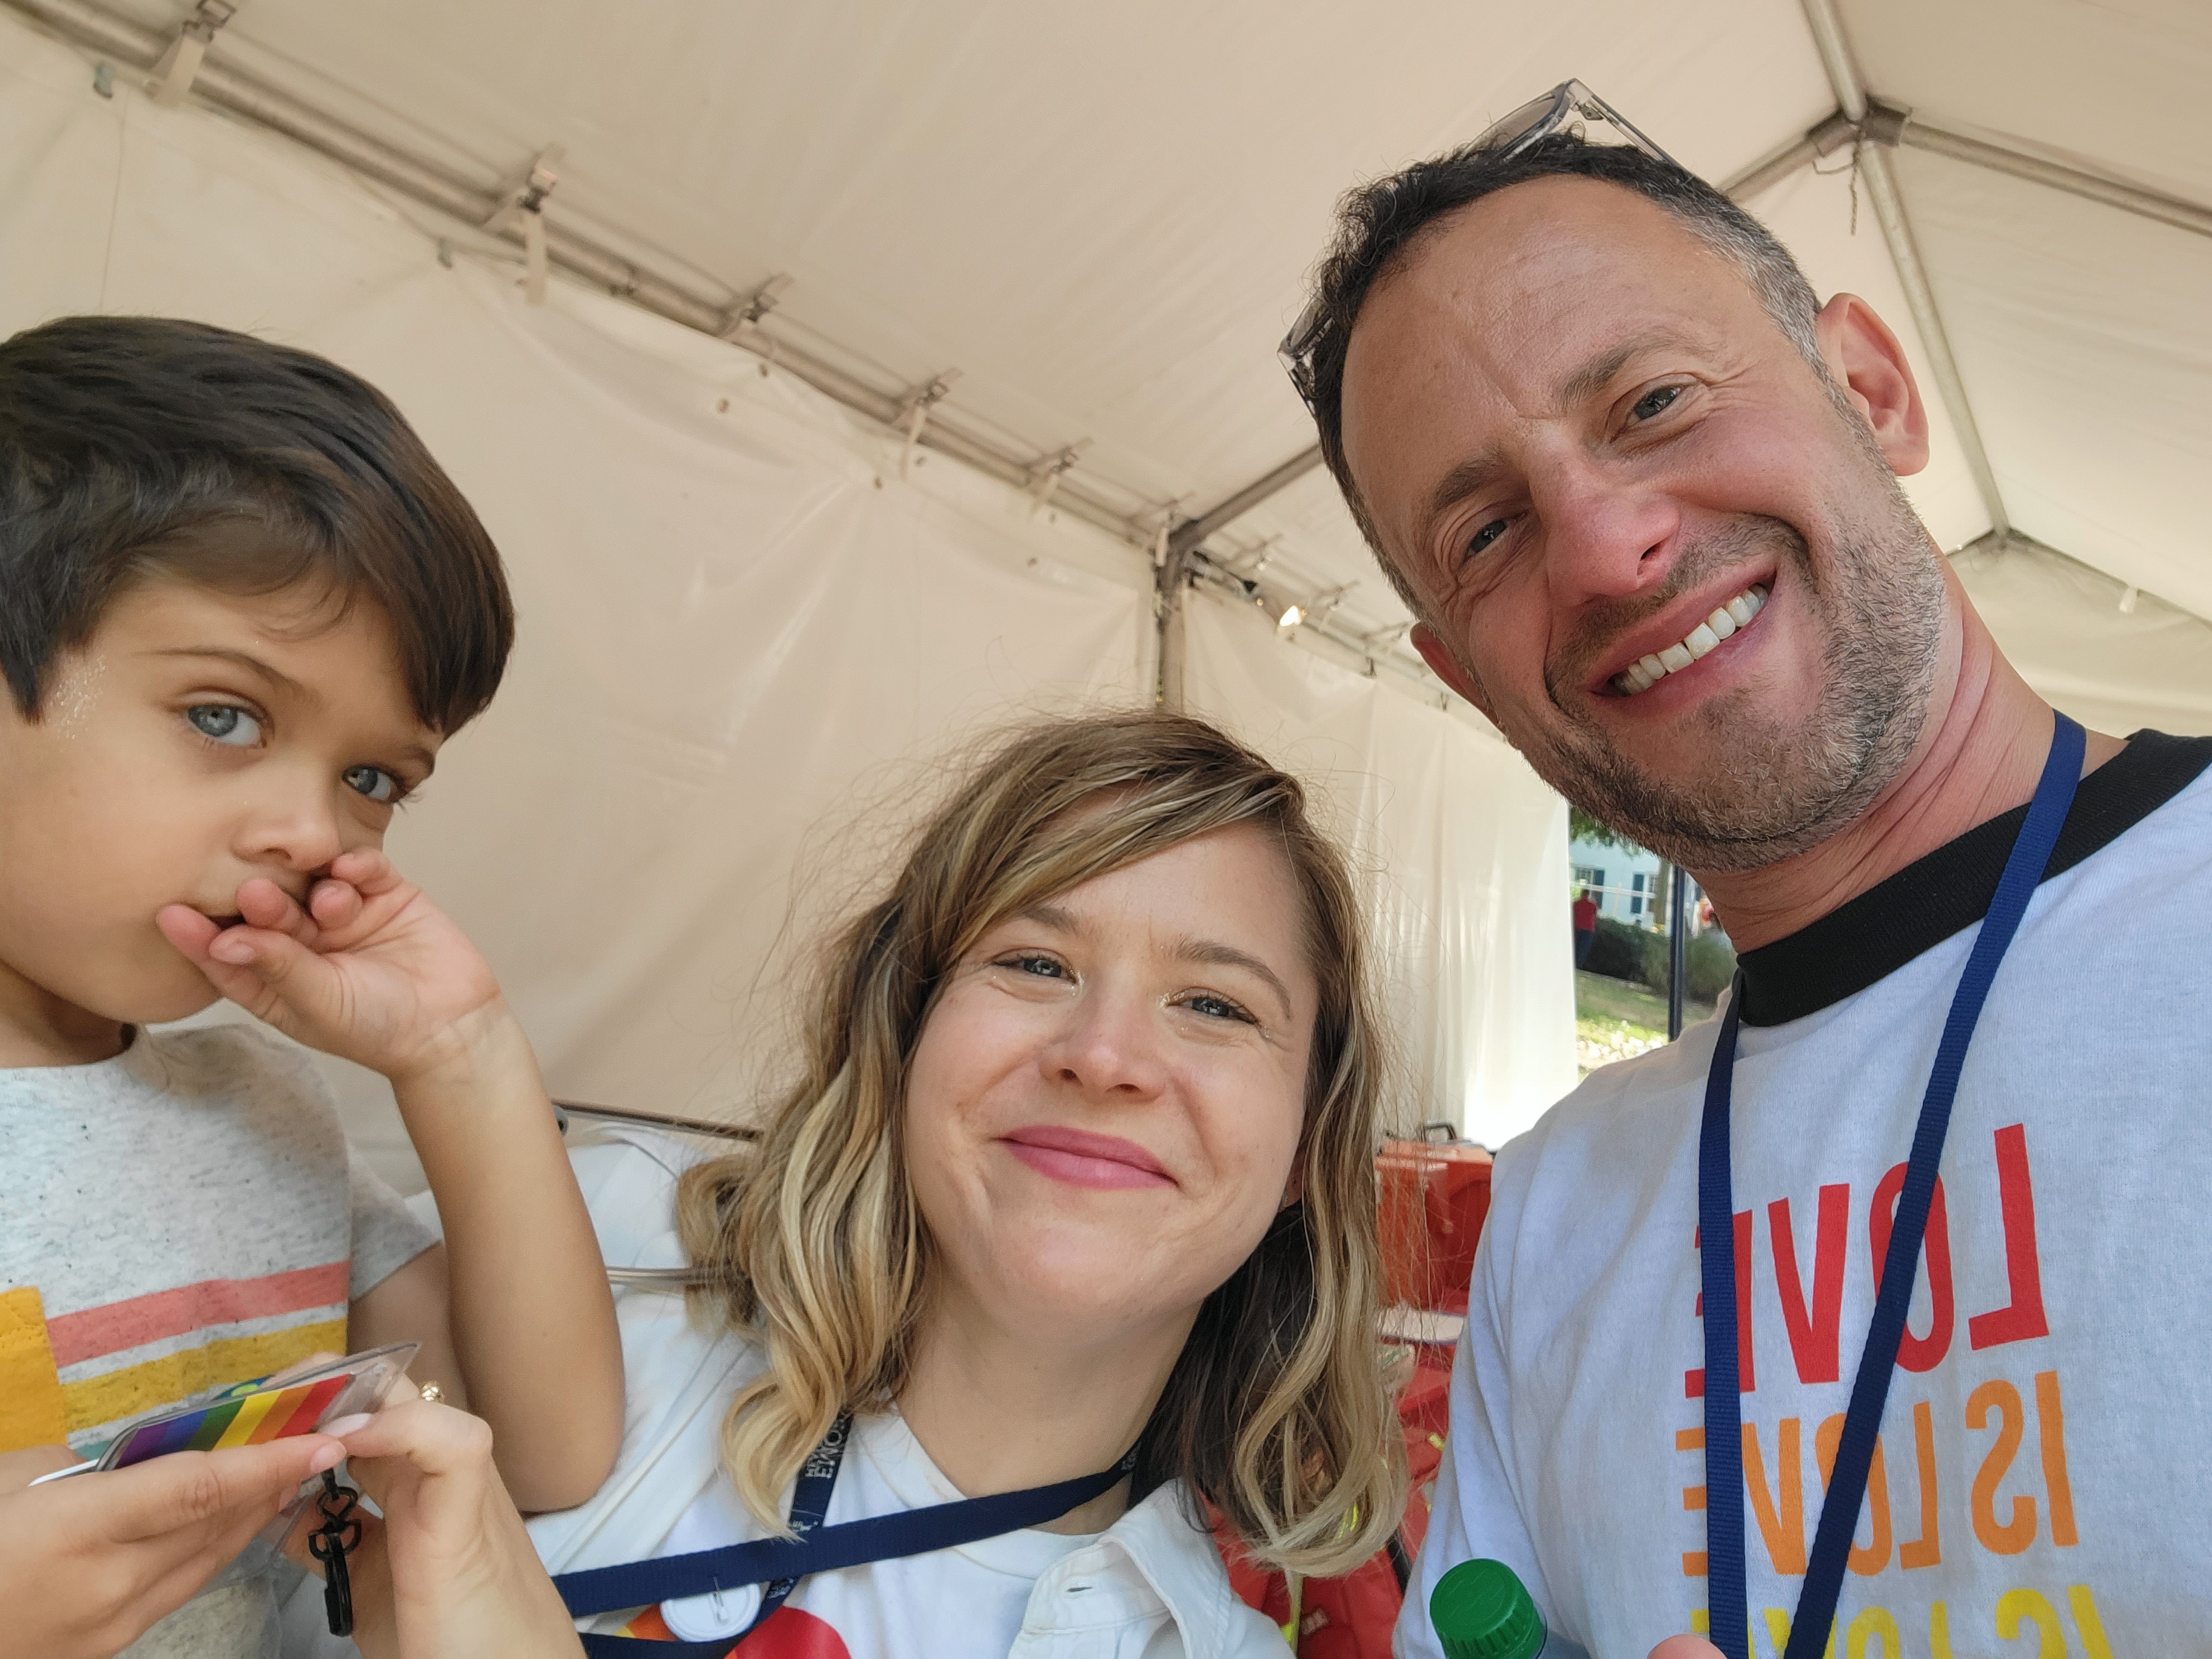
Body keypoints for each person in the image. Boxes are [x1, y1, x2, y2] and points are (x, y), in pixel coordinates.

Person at [1284, 90, 2212, 1658]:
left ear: (1872, 387)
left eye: (1651, 402)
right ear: (1467, 685)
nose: (1601, 546)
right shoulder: (1563, 1208)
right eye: (1489, 530)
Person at [300, 709, 1410, 1658]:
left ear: (1310, 1153)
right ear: (906, 1034)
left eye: (1214, 1005)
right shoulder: (600, 1248)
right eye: (1034, 962)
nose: (1104, 1053)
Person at [0, 316, 624, 1655]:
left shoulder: (262, 1109)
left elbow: (547, 1452)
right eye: (225, 715)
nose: (317, 832)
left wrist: (462, 1054)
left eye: (373, 780)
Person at [1570, 887, 1598, 968]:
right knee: (1583, 949)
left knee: (1574, 946)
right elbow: (1595, 915)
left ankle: (1572, 963)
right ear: (1589, 895)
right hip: (1588, 929)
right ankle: (1579, 965)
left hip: (1577, 927)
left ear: (1581, 894)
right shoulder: (1593, 905)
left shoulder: (1576, 903)